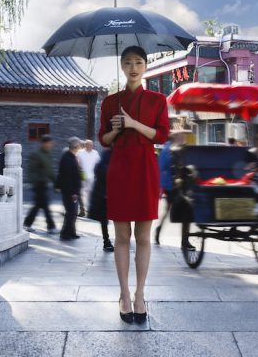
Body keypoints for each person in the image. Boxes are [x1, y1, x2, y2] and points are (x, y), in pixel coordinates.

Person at [99, 45, 169, 325]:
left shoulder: (157, 99)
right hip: (119, 170)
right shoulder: (109, 102)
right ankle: (124, 294)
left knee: (143, 237)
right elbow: (104, 139)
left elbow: (161, 136)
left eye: (138, 62)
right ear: (122, 66)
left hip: (145, 169)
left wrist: (133, 123)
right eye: (128, 62)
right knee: (121, 237)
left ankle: (140, 294)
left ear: (145, 66)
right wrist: (117, 128)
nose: (133, 67)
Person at [155, 129, 193, 250]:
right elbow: (163, 168)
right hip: (171, 185)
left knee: (186, 211)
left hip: (182, 185)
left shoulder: (181, 148)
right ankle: (159, 229)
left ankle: (184, 240)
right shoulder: (167, 149)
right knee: (168, 210)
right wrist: (168, 184)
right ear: (175, 137)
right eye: (181, 136)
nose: (183, 138)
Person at [23, 135, 57, 233]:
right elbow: (32, 170)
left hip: (44, 183)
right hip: (38, 184)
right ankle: (51, 226)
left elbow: (49, 170)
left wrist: (55, 182)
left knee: (38, 205)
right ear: (44, 143)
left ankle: (27, 224)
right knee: (44, 205)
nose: (51, 145)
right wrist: (35, 182)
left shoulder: (47, 154)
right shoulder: (36, 154)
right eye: (49, 143)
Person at [56, 136, 83, 241]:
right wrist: (73, 192)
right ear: (75, 146)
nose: (80, 146)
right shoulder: (67, 158)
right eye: (79, 145)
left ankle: (71, 232)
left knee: (73, 212)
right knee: (70, 212)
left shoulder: (71, 156)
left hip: (72, 190)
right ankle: (65, 234)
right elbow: (67, 178)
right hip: (70, 191)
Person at [88, 148, 114, 252]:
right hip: (105, 195)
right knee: (105, 220)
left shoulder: (103, 158)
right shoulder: (107, 158)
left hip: (104, 195)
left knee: (105, 220)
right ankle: (107, 241)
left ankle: (107, 241)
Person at [77, 139, 101, 217]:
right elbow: (77, 163)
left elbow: (99, 163)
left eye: (91, 145)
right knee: (82, 192)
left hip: (92, 176)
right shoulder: (80, 152)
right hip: (83, 175)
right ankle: (82, 209)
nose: (90, 146)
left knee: (90, 193)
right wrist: (79, 170)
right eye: (88, 144)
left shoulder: (95, 153)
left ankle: (90, 209)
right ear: (85, 145)